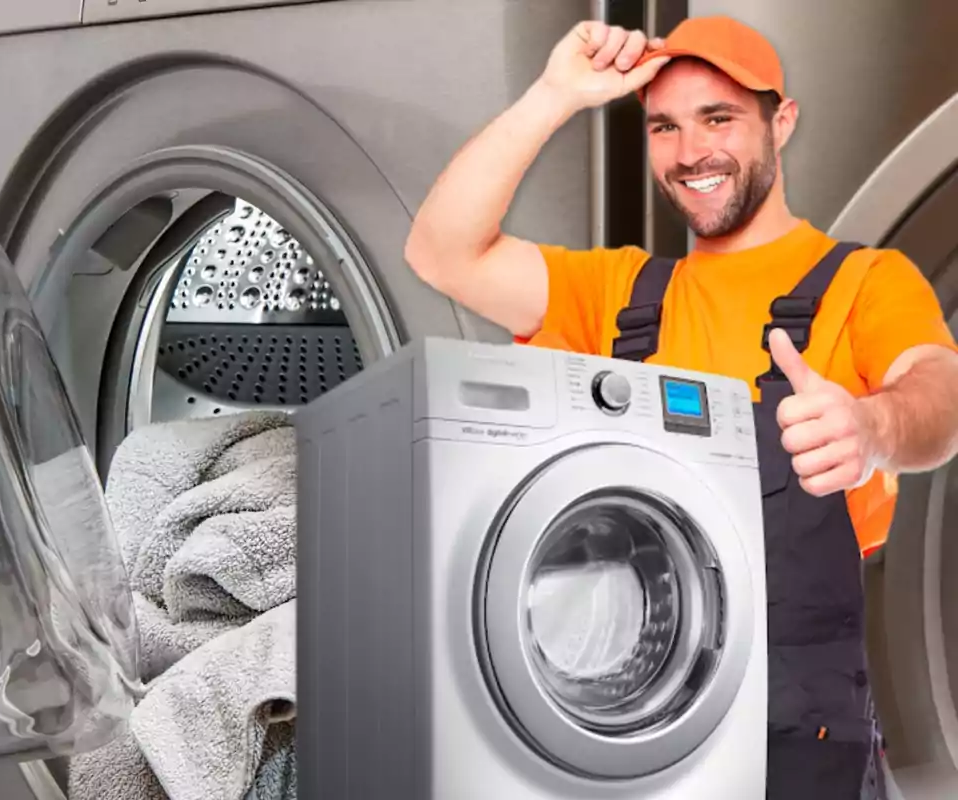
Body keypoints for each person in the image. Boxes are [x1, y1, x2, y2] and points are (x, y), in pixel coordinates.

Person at [404, 13, 958, 800]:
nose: (691, 151)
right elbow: (441, 250)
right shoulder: (614, 295)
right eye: (664, 126)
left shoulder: (864, 282)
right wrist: (556, 93)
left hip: (801, 735)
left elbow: (939, 393)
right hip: (625, 715)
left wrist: (873, 428)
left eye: (719, 117)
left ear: (782, 122)